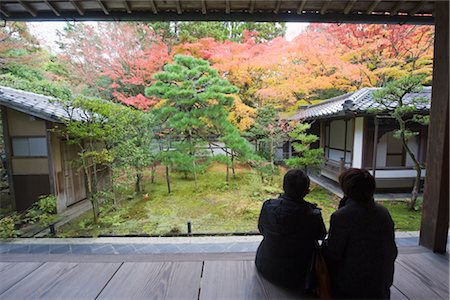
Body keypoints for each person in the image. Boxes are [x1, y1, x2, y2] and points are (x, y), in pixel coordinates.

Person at [324, 168, 398, 299]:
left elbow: (333, 254)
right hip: (381, 283)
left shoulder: (343, 216)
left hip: (353, 287)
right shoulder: (383, 212)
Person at [255, 169, 327, 292]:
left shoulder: (268, 205)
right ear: (307, 191)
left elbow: (262, 228)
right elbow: (321, 235)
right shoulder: (312, 214)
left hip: (265, 265)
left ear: (283, 187)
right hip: (298, 276)